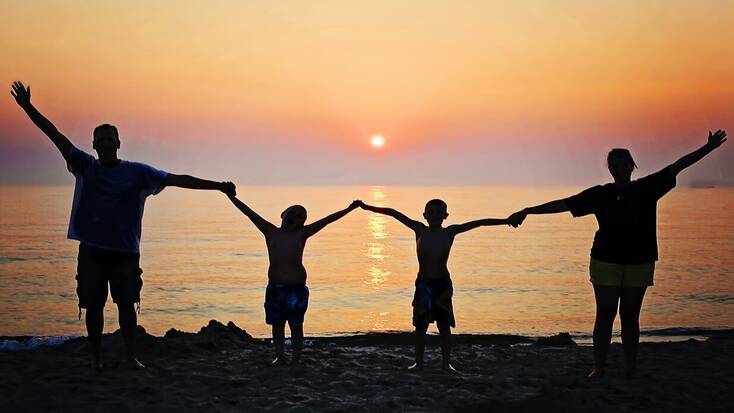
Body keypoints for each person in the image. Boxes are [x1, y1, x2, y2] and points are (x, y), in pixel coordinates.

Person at [11, 81, 236, 370]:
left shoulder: (138, 173)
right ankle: (96, 359)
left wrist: (218, 186)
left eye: (110, 139)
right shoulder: (84, 165)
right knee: (93, 307)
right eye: (100, 139)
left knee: (127, 307)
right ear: (93, 145)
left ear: (118, 143)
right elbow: (54, 134)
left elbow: (178, 179)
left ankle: (130, 357)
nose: (105, 143)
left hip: (125, 253)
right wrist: (28, 107)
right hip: (92, 251)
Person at [508, 130, 728, 378]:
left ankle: (630, 368)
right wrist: (527, 210)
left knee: (630, 317)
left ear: (632, 166)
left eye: (625, 164)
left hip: (639, 260)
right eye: (616, 165)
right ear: (610, 169)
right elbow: (564, 204)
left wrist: (708, 148)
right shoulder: (600, 194)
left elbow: (677, 166)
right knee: (605, 315)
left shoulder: (647, 187)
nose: (621, 168)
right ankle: (599, 367)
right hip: (605, 260)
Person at [358, 199, 514, 372]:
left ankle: (446, 363)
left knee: (444, 326)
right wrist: (367, 207)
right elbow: (394, 213)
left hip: (442, 285)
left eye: (439, 212)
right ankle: (419, 362)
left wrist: (506, 221)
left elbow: (480, 223)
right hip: (424, 285)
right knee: (420, 327)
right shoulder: (419, 229)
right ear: (424, 215)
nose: (434, 215)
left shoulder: (450, 232)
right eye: (430, 212)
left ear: (445, 216)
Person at [226, 194, 360, 365]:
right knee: (277, 324)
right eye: (293, 212)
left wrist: (349, 209)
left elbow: (326, 220)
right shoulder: (270, 231)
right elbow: (248, 213)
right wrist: (230, 196)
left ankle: (296, 358)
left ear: (301, 224)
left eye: (300, 217)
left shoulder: (302, 234)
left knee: (296, 325)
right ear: (283, 213)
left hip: (296, 289)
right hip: (275, 288)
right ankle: (280, 356)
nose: (295, 217)